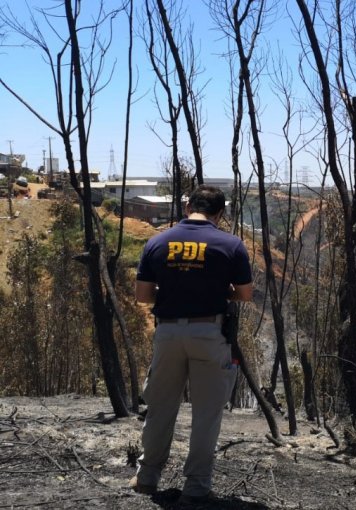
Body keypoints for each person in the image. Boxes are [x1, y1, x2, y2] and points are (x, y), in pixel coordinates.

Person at [130, 185, 253, 506]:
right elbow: (244, 294)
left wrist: (173, 297)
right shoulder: (231, 245)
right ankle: (196, 486)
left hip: (168, 333)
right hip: (210, 334)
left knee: (160, 408)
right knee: (206, 413)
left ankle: (146, 478)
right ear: (220, 213)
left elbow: (143, 296)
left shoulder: (157, 242)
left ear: (187, 208)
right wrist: (216, 293)